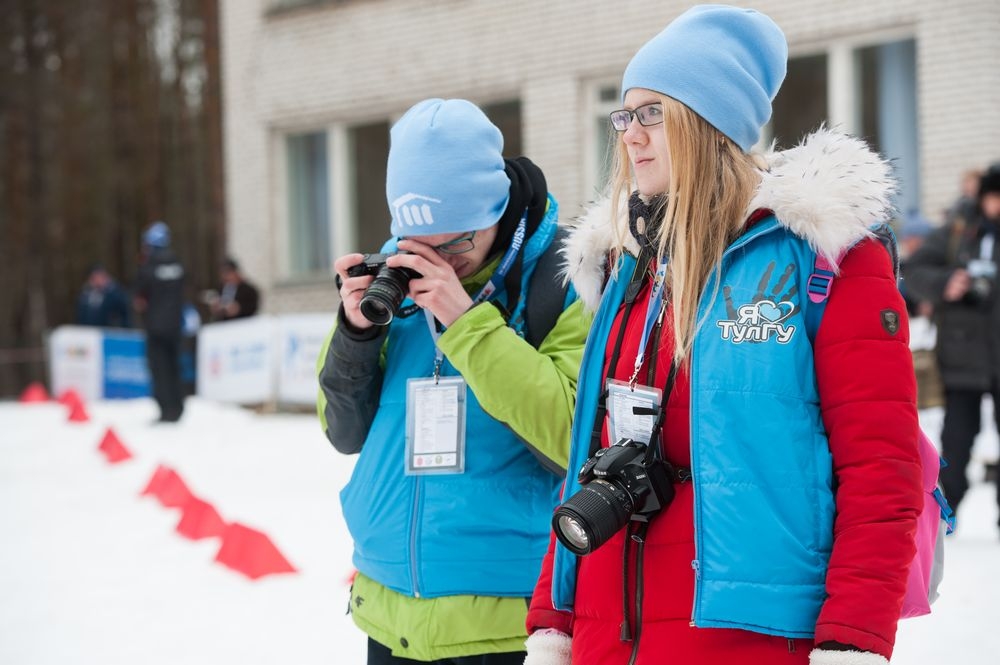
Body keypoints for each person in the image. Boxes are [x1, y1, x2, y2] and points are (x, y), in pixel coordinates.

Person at [523, 6, 922, 665]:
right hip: (609, 633)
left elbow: (881, 469)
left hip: (746, 637)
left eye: (653, 112)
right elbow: (588, 458)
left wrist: (853, 636)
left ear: (706, 124)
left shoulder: (822, 260)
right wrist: (554, 616)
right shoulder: (629, 269)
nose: (631, 135)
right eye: (625, 115)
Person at [316, 99, 590, 664]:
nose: (440, 260)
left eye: (456, 243)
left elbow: (573, 435)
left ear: (498, 208)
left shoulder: (567, 277)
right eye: (421, 245)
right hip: (390, 613)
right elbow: (342, 431)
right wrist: (356, 334)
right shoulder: (395, 281)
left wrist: (468, 325)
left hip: (510, 621)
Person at [905, 163, 1000, 531]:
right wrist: (947, 283)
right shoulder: (959, 230)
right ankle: (949, 514)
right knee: (957, 439)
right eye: (993, 198)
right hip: (962, 355)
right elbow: (914, 271)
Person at [134, 221, 186, 423]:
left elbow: (139, 297)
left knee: (160, 369)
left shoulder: (148, 267)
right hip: (175, 325)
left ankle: (166, 410)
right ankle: (178, 407)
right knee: (174, 367)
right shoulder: (178, 263)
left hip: (156, 327)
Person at [206, 257, 260, 321]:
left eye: (228, 273)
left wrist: (238, 309)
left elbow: (252, 308)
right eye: (223, 274)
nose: (225, 277)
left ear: (235, 273)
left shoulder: (249, 291)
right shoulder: (221, 289)